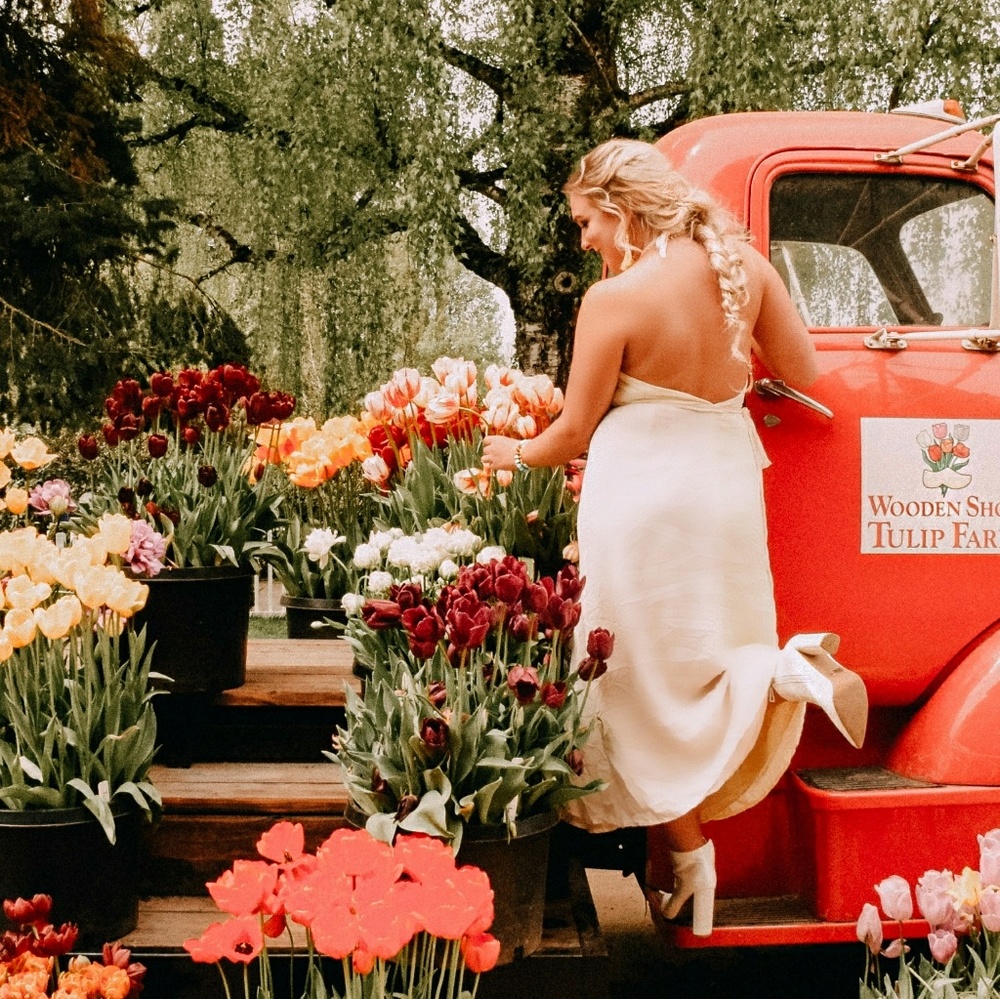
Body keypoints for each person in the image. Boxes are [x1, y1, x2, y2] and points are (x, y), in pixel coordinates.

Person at [480, 138, 867, 937]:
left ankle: (779, 687)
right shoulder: (746, 270)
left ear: (621, 211)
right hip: (725, 488)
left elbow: (572, 432)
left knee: (631, 685)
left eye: (587, 221)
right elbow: (806, 372)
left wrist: (511, 451)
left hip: (643, 504)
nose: (583, 239)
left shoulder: (614, 301)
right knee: (703, 665)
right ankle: (704, 836)